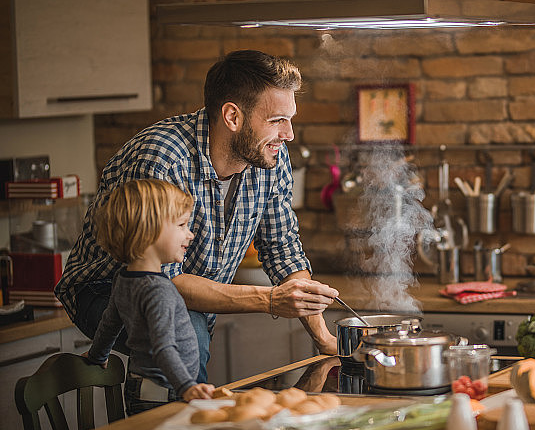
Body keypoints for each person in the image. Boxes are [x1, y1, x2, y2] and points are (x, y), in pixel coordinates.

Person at [56, 50, 339, 383]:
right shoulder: (162, 160)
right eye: (277, 120)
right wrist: (271, 299)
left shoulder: (270, 156)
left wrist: (323, 339)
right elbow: (163, 280)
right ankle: (173, 422)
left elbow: (282, 248)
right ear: (232, 117)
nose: (288, 134)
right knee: (183, 332)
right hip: (108, 291)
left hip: (181, 297)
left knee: (186, 333)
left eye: (290, 119)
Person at [85, 179, 215, 415]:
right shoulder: (158, 290)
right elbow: (163, 347)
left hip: (140, 387)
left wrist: (97, 355)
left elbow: (110, 323)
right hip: (164, 391)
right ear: (150, 231)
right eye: (182, 225)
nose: (191, 234)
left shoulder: (124, 278)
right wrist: (187, 387)